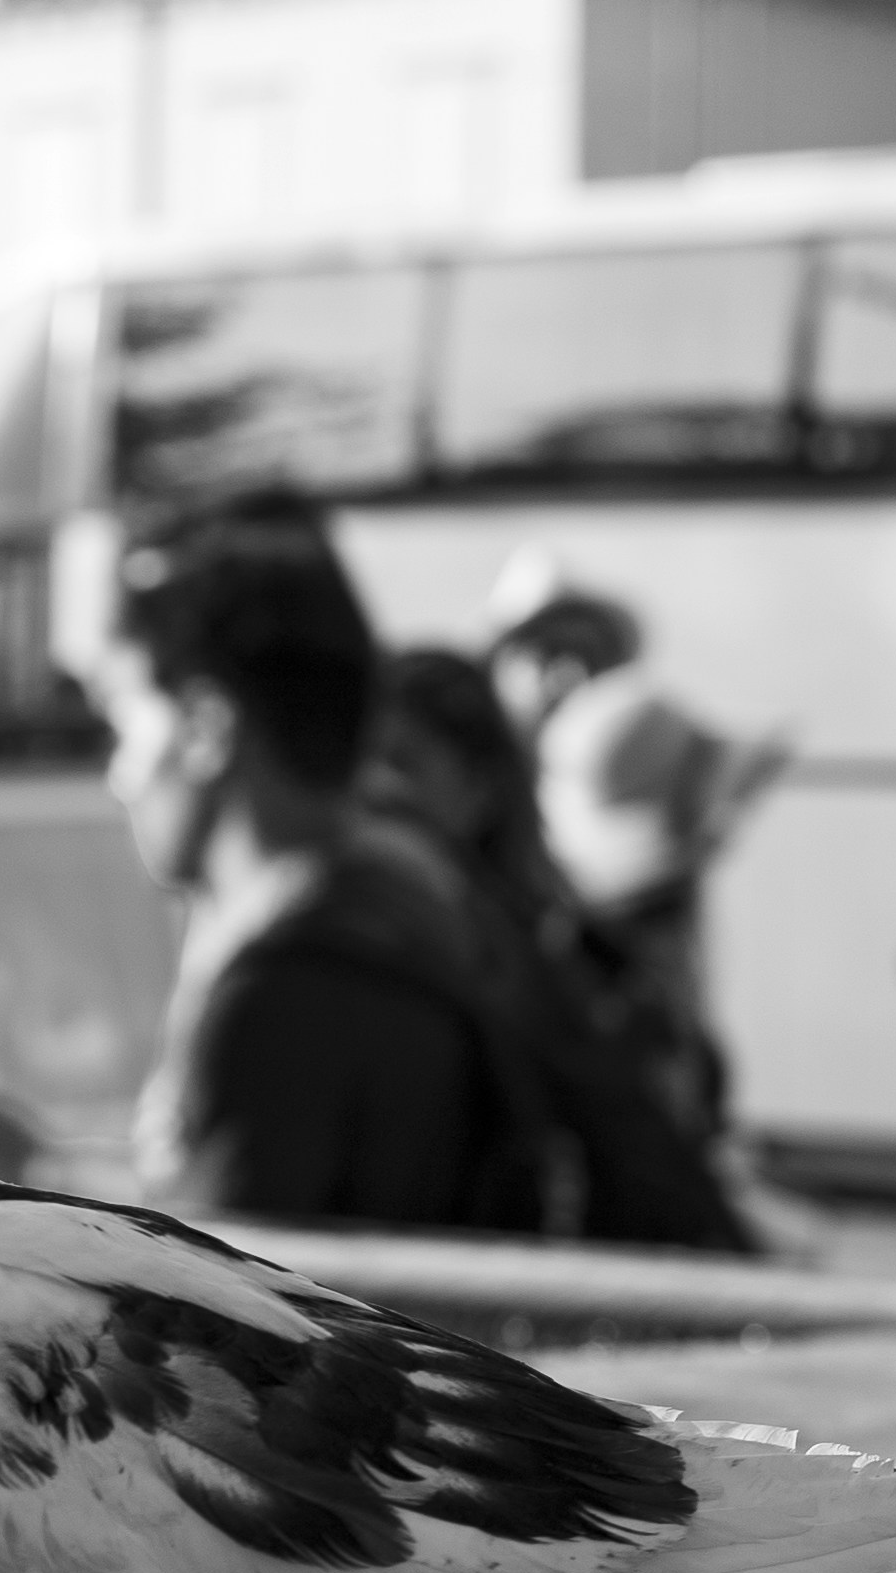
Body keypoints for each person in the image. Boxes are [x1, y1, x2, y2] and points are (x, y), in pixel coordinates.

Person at [102, 503, 557, 1232]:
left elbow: (211, 1291)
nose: (117, 776)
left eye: (123, 721)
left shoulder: (286, 997)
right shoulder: (406, 906)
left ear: (206, 728)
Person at [367, 646, 758, 1254]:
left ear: (480, 788)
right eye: (356, 762)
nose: (375, 790)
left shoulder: (531, 967)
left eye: (402, 762)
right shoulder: (526, 964)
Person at [484, 555, 788, 1146]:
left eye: (585, 652)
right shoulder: (487, 835)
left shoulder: (633, 757)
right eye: (544, 653)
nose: (568, 675)